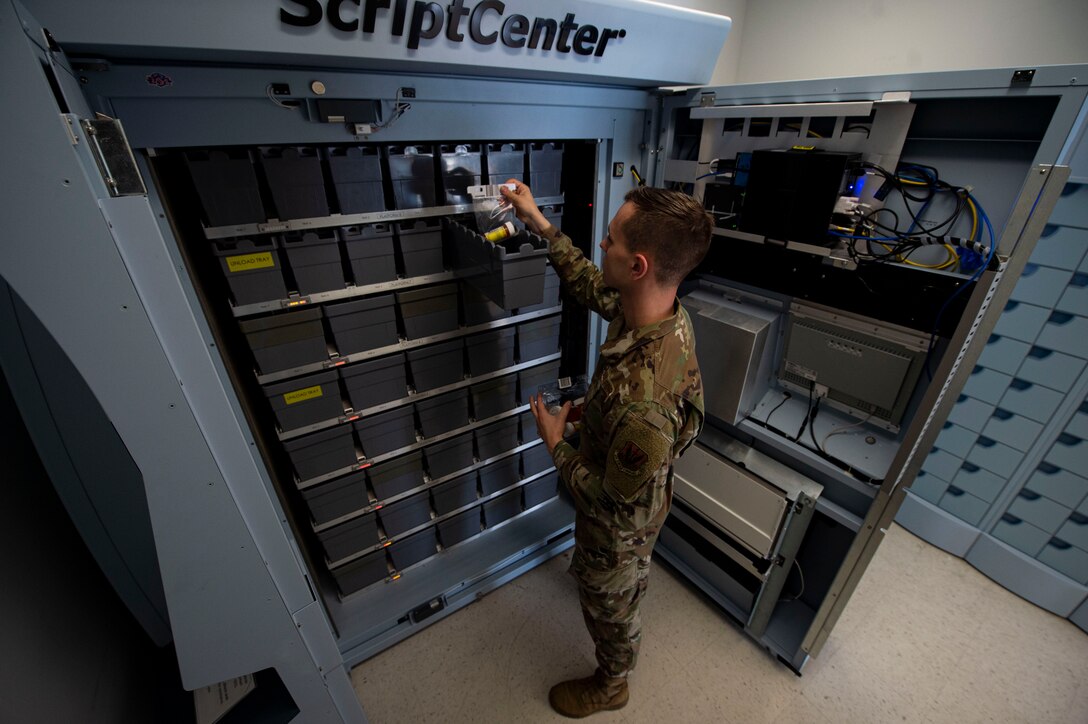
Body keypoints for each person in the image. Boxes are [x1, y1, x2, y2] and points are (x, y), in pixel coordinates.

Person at [501, 180, 712, 718]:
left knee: (611, 602)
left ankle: (611, 682)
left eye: (612, 240)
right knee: (613, 582)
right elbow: (592, 285)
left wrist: (556, 442)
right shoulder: (657, 310)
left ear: (638, 265)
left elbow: (608, 503)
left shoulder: (647, 403)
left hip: (618, 527)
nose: (602, 246)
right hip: (628, 471)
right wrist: (538, 222)